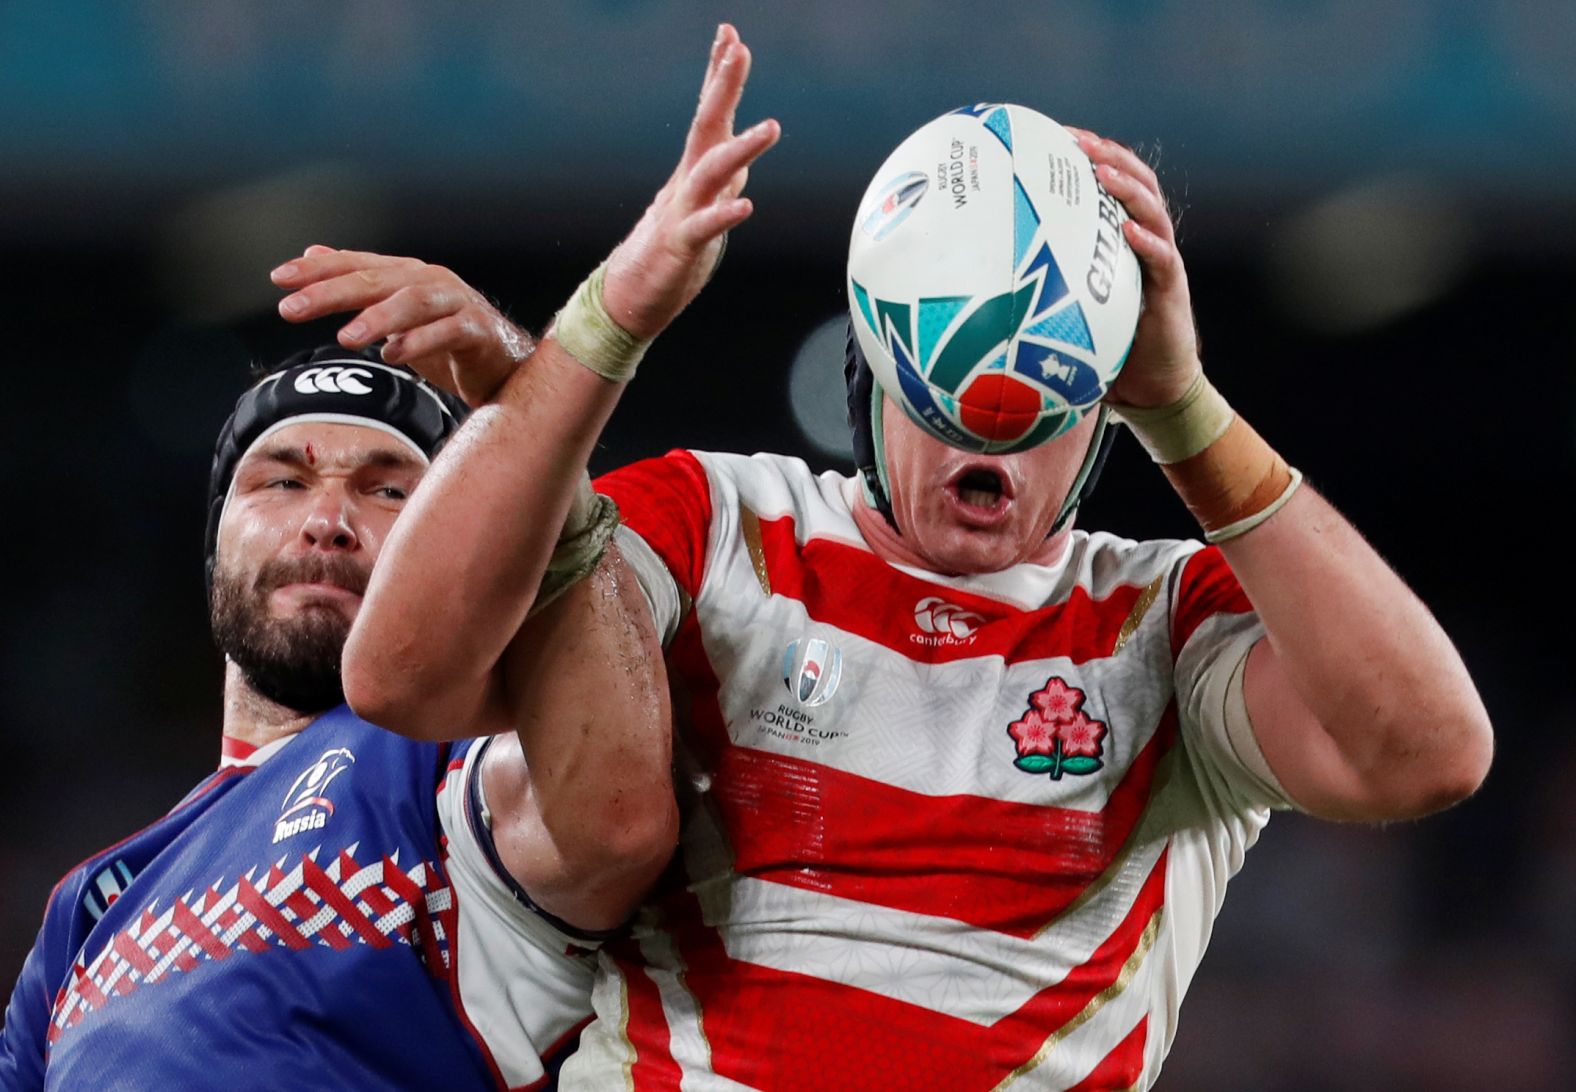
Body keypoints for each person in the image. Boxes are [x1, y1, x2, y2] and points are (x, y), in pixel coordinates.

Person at [301, 24, 1493, 1090]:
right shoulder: (714, 522)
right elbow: (402, 677)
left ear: (1101, 420)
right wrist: (610, 317)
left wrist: (1184, 409)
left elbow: (1430, 754)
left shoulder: (1163, 620)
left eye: (1039, 418)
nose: (990, 441)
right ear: (864, 386)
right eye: (945, 405)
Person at [1, 263, 679, 1088]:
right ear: (217, 542)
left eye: (389, 491)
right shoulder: (90, 906)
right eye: (283, 481)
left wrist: (536, 417)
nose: (327, 522)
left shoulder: (454, 773)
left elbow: (612, 827)